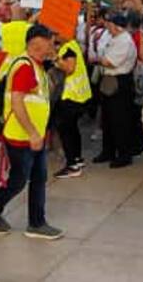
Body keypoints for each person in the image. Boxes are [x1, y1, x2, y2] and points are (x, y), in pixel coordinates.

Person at [0, 23, 64, 241]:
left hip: (33, 136)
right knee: (18, 180)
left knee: (38, 178)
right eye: (50, 42)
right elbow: (17, 102)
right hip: (21, 136)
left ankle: (37, 223)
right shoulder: (25, 66)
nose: (53, 46)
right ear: (37, 43)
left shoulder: (36, 66)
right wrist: (33, 133)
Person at [94, 12, 137, 168]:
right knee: (107, 118)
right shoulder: (111, 37)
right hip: (108, 79)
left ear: (117, 26)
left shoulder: (125, 41)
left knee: (120, 120)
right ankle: (108, 151)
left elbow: (110, 62)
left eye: (110, 24)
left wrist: (98, 60)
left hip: (119, 81)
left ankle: (124, 154)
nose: (108, 27)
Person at [51, 35, 92, 178]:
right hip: (79, 95)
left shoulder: (68, 48)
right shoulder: (73, 44)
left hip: (71, 96)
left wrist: (55, 57)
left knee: (66, 130)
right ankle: (77, 159)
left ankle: (72, 165)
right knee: (73, 129)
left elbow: (70, 68)